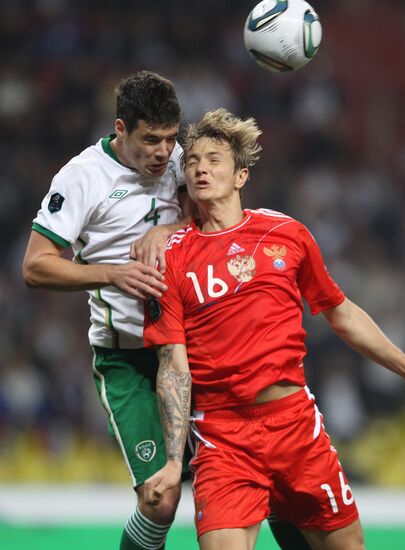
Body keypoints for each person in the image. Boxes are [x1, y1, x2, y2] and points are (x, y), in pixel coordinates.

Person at [143, 108, 405, 550]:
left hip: (294, 427)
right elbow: (173, 365)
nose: (200, 167)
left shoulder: (286, 234)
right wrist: (176, 461)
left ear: (241, 176)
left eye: (214, 159)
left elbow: (340, 312)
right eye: (193, 160)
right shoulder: (169, 258)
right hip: (221, 436)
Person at [22, 70, 192, 550]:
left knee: (247, 479)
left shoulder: (179, 160)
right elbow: (35, 266)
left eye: (171, 138)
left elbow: (211, 212)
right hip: (127, 359)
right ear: (121, 130)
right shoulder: (82, 178)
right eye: (151, 140)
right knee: (161, 498)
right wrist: (109, 272)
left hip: (188, 347)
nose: (164, 152)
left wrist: (170, 225)